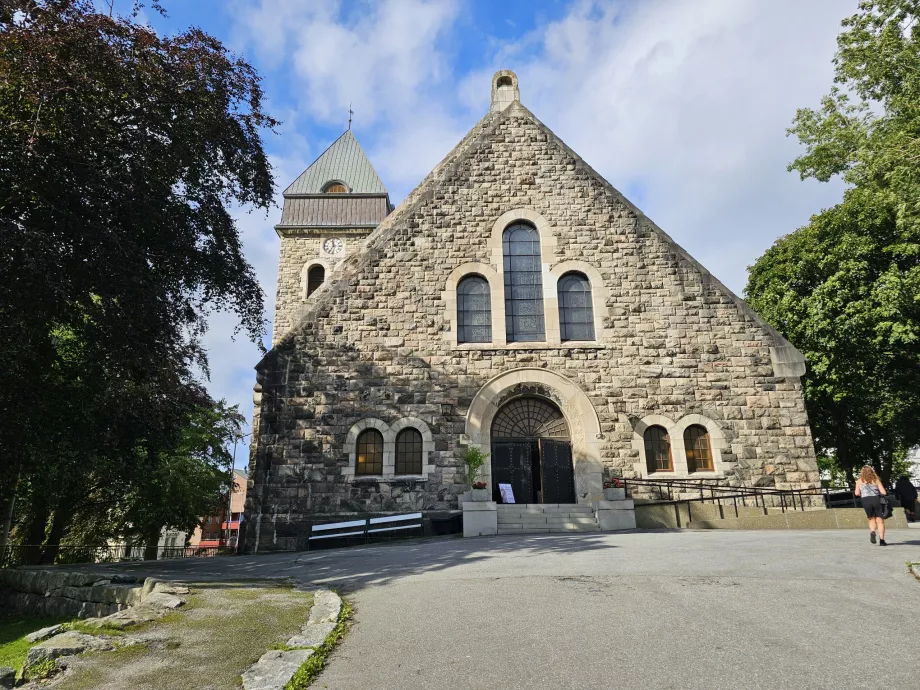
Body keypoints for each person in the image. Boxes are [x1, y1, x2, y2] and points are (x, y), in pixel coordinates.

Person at [855, 465, 888, 545]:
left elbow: (856, 493)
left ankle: (873, 531)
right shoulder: (876, 480)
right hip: (876, 499)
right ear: (872, 471)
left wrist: (864, 494)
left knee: (871, 519)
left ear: (862, 472)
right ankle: (882, 541)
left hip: (865, 500)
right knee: (880, 521)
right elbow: (884, 492)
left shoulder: (859, 481)